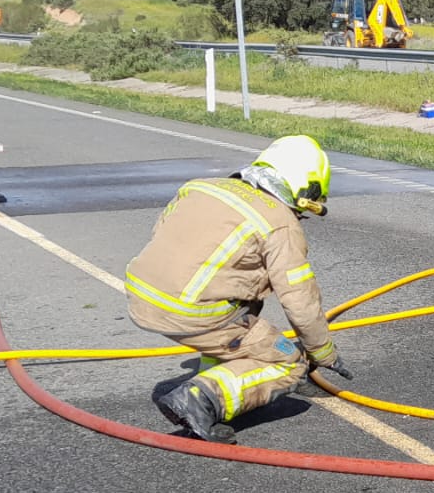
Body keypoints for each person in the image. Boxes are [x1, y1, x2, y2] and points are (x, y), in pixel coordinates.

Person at [124, 135, 350, 442]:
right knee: (289, 363)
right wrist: (322, 353)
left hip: (140, 296)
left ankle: (216, 371)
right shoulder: (279, 222)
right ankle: (202, 397)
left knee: (246, 301)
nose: (300, 217)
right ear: (304, 190)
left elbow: (165, 236)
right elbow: (300, 301)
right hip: (192, 313)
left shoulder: (199, 187)